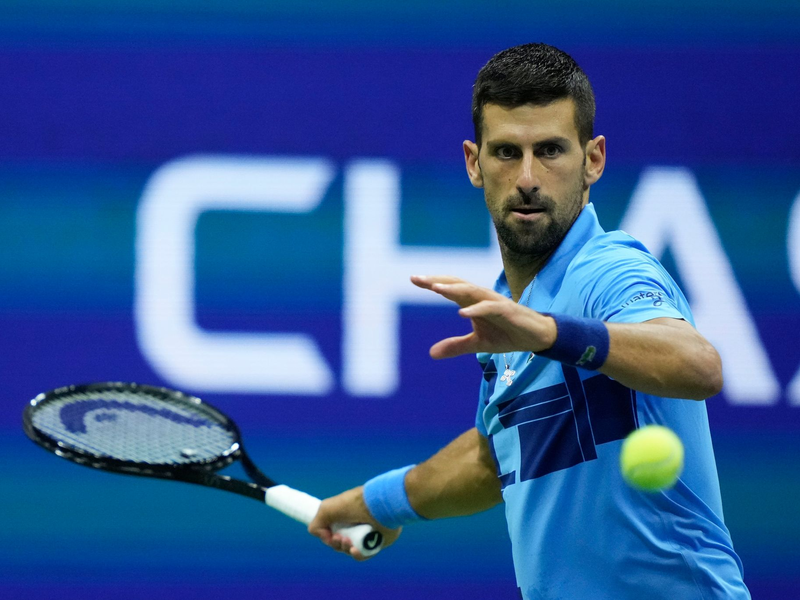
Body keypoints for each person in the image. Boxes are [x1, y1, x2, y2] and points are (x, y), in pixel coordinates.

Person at [308, 43, 750, 599]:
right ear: (474, 163)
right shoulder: (507, 311)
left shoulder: (610, 271)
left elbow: (698, 365)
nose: (527, 177)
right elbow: (493, 459)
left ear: (593, 159)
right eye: (506, 153)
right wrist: (380, 502)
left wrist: (548, 332)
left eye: (550, 150)